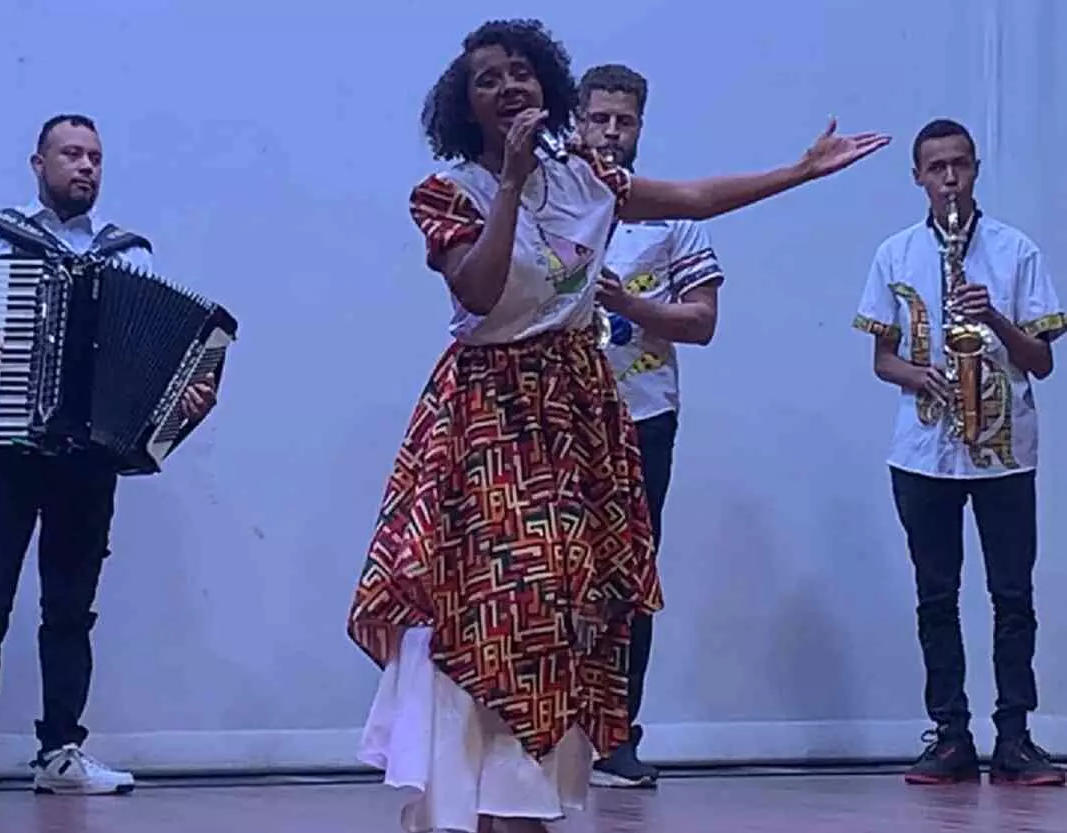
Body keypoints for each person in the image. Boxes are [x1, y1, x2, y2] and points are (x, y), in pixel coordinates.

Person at [347, 18, 889, 833]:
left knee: (571, 598)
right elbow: (483, 290)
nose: (508, 87)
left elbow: (697, 198)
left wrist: (801, 172)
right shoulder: (449, 191)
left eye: (521, 73)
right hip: (490, 410)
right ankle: (463, 792)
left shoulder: (587, 176)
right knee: (495, 593)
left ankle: (520, 795)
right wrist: (509, 184)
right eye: (487, 79)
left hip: (576, 408)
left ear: (549, 87)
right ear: (466, 107)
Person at [0, 114, 219, 799]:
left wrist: (189, 398)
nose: (86, 167)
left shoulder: (129, 255)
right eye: (71, 154)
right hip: (3, 447)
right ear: (37, 163)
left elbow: (170, 363)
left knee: (71, 608)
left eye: (96, 157)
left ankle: (61, 751)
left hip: (89, 458)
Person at [853, 118, 1066, 786]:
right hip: (923, 450)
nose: (949, 179)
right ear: (917, 176)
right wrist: (922, 375)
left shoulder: (1015, 250)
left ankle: (1016, 736)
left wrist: (994, 317)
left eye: (960, 166)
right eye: (936, 168)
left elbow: (1043, 362)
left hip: (1005, 450)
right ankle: (949, 733)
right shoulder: (894, 253)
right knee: (935, 594)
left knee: (1012, 594)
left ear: (976, 169)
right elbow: (882, 358)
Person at [573, 63, 726, 790]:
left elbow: (702, 324)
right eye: (598, 118)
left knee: (630, 579)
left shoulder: (670, 218)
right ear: (576, 121)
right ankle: (545, 728)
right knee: (549, 576)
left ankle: (616, 736)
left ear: (640, 127)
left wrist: (627, 304)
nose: (609, 132)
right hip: (556, 418)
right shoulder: (548, 204)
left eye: (623, 121)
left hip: (643, 419)